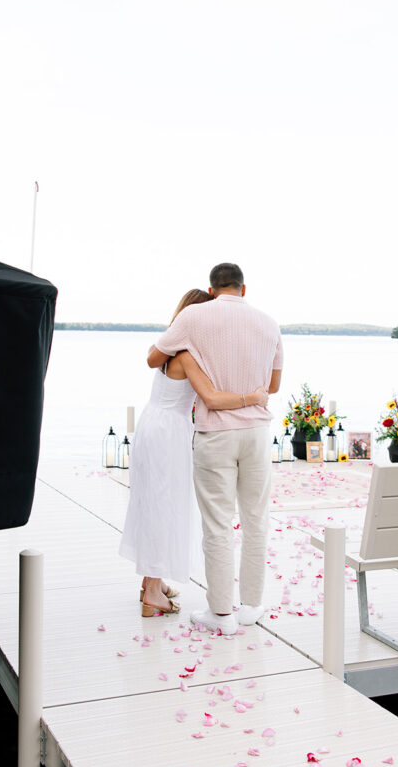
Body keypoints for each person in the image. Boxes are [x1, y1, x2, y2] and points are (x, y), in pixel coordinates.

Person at [148, 263, 283, 634]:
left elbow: (155, 356)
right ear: (244, 288)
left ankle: (221, 614)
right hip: (256, 432)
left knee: (218, 526)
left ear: (211, 290)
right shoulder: (269, 323)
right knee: (256, 520)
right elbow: (272, 386)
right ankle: (251, 606)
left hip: (216, 434)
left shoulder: (194, 316)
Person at [119, 288, 269, 617]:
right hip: (169, 431)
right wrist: (254, 398)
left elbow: (152, 358)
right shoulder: (187, 354)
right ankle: (153, 593)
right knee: (164, 506)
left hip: (152, 423)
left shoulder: (167, 347)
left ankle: (151, 581)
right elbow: (212, 399)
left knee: (153, 500)